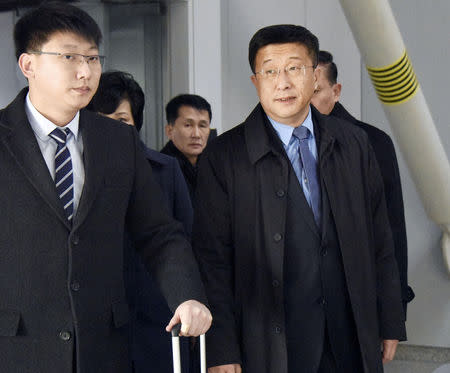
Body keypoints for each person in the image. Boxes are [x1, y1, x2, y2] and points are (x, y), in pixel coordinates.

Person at [0, 3, 211, 373]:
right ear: (28, 65)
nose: (85, 72)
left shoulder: (118, 141)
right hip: (17, 347)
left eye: (94, 59)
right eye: (69, 57)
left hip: (103, 347)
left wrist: (187, 295)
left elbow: (159, 233)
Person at [193, 24, 406, 373]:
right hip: (269, 342)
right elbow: (211, 260)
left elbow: (381, 238)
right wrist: (221, 349)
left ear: (314, 74)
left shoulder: (354, 143)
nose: (283, 82)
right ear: (255, 81)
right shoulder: (224, 156)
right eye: (270, 71)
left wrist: (389, 317)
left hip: (350, 332)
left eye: (294, 68)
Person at [87, 71, 194, 373]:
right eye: (100, 119)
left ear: (136, 124)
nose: (111, 130)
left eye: (122, 120)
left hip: (159, 325)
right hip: (99, 328)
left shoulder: (165, 171)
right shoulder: (75, 176)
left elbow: (187, 243)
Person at [311, 50, 415, 315]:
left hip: (358, 296)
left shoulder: (371, 142)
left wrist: (394, 308)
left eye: (316, 91)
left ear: (336, 91)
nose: (306, 101)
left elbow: (392, 229)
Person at [161, 94, 211, 201]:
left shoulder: (214, 165)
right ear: (169, 131)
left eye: (202, 125)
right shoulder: (160, 170)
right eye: (188, 125)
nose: (196, 134)